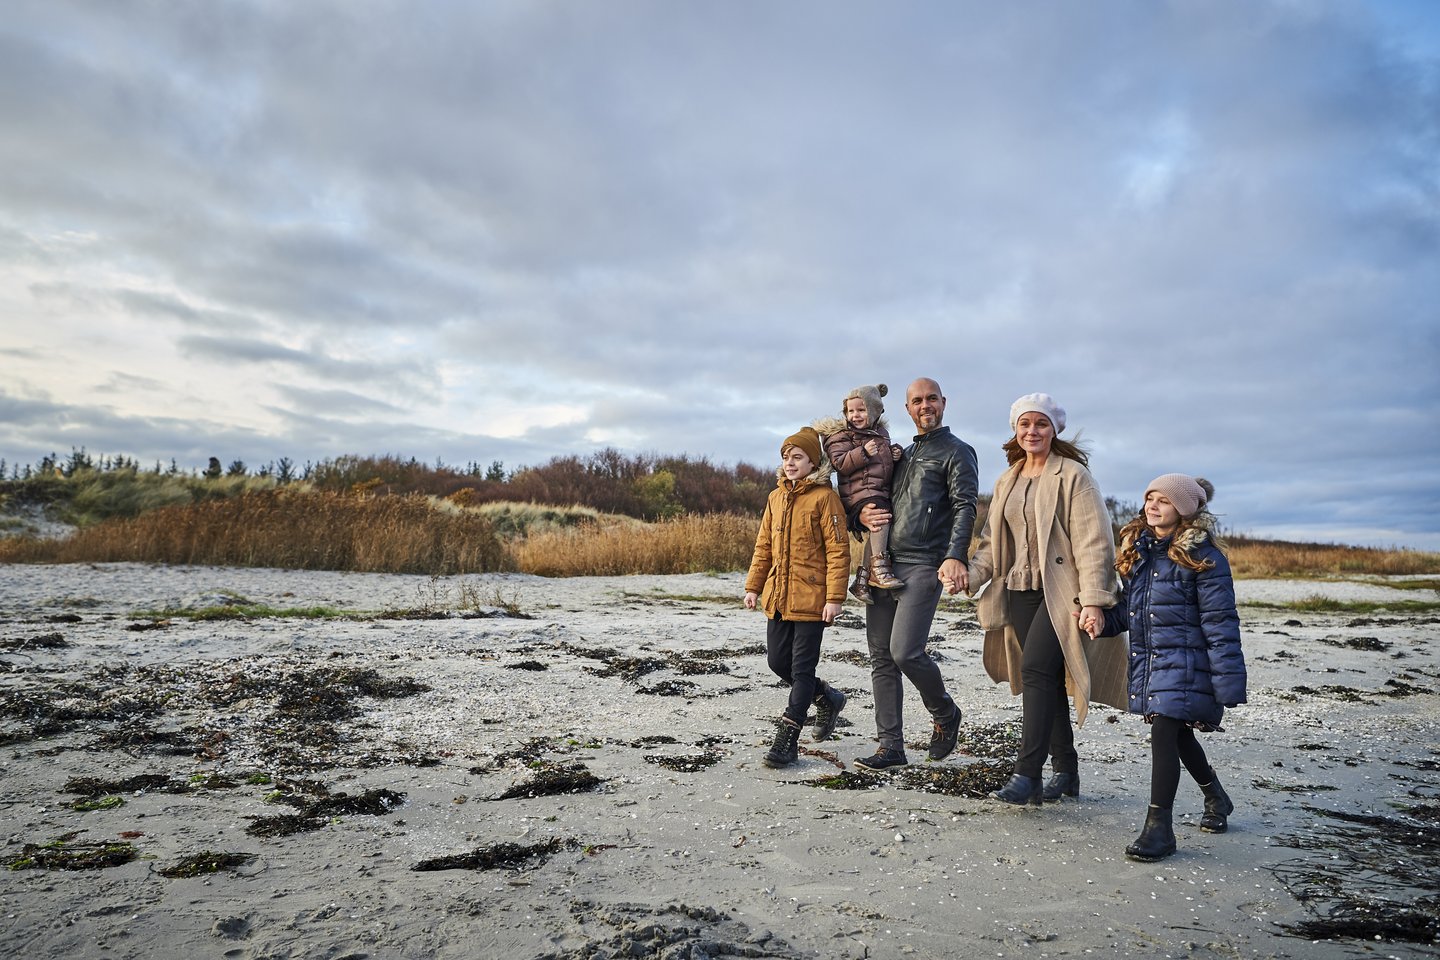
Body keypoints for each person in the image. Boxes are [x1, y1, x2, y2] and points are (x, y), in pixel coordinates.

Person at [966, 393, 1125, 806]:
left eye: (1041, 424)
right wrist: (969, 575)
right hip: (1018, 590)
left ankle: (1027, 775)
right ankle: (1066, 772)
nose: (1032, 431)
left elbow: (1095, 543)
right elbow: (991, 543)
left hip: (1063, 592)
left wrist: (1093, 599)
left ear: (1055, 429)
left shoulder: (1073, 476)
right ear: (1015, 431)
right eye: (1024, 424)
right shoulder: (1008, 479)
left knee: (1036, 669)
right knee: (1046, 680)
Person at [1080, 474, 1247, 861]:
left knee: (1165, 734)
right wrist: (1103, 622)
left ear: (1185, 510)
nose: (1152, 506)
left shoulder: (1205, 556)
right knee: (1174, 734)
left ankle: (1159, 829)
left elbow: (1221, 622)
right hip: (1153, 660)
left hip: (1191, 663)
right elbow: (1129, 612)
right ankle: (1216, 796)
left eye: (1164, 501)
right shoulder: (1140, 552)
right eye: (1150, 498)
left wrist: (1228, 681)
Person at [851, 377, 977, 771]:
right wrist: (860, 515)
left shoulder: (958, 452)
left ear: (944, 402)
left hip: (924, 564)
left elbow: (965, 507)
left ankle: (945, 713)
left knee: (905, 651)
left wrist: (956, 555)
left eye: (931, 399)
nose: (925, 406)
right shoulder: (899, 455)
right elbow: (868, 494)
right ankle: (891, 747)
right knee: (880, 658)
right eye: (917, 401)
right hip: (882, 562)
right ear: (906, 409)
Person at [743, 426, 851, 768]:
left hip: (812, 599)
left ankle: (787, 740)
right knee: (778, 663)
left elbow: (838, 550)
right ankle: (827, 697)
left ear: (812, 461)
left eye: (798, 457)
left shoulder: (825, 497)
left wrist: (835, 598)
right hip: (778, 596)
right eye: (786, 457)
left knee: (802, 669)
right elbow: (764, 547)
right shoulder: (775, 497)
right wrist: (753, 587)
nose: (790, 463)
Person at [817, 383, 905, 604]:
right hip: (856, 495)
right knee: (881, 518)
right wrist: (862, 452)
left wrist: (894, 455)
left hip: (875, 491)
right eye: (850, 411)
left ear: (875, 411)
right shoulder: (839, 435)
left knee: (879, 527)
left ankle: (861, 580)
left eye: (861, 410)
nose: (855, 415)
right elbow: (839, 463)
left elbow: (882, 467)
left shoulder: (881, 434)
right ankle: (879, 567)